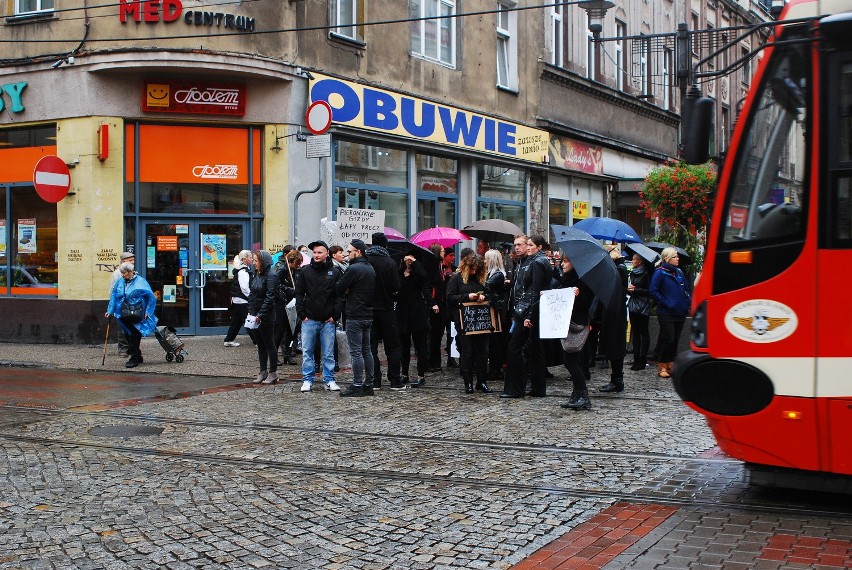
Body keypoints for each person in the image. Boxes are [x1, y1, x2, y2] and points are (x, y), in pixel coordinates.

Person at [501, 235, 552, 398]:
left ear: (538, 246)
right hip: (528, 310)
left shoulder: (535, 262)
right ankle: (537, 389)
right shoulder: (532, 261)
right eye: (516, 245)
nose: (518, 248)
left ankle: (515, 389)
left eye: (527, 245)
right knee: (536, 349)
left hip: (527, 311)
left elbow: (533, 291)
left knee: (515, 347)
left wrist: (528, 314)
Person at [295, 240, 343, 392]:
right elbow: (299, 294)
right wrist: (302, 314)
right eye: (314, 252)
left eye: (319, 252)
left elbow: (338, 296)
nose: (316, 255)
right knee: (308, 352)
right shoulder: (305, 271)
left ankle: (329, 379)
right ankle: (307, 379)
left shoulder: (334, 272)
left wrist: (335, 316)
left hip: (328, 320)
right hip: (309, 319)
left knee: (328, 353)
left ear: (327, 253)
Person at [445, 255, 492, 394]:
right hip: (464, 320)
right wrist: (468, 296)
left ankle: (482, 382)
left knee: (483, 352)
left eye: (476, 270)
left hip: (481, 320)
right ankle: (468, 383)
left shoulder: (480, 278)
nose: (473, 272)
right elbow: (450, 297)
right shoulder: (456, 279)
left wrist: (484, 296)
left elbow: (490, 294)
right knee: (468, 351)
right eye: (471, 269)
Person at [336, 239, 376, 397]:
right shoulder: (370, 267)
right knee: (367, 351)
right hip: (367, 314)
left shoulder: (354, 268)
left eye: (349, 250)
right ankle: (369, 384)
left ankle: (357, 384)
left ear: (358, 252)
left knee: (356, 352)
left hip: (355, 313)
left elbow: (339, 287)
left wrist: (347, 290)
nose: (347, 253)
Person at [366, 232, 405, 389]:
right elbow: (396, 287)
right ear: (385, 245)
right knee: (393, 346)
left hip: (369, 308)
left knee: (371, 346)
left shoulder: (365, 261)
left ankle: (375, 380)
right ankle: (395, 379)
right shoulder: (390, 262)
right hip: (387, 308)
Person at [558, 254, 595, 410]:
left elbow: (584, 304)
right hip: (568, 322)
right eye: (562, 261)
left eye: (566, 261)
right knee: (572, 360)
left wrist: (575, 295)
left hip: (576, 324)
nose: (562, 264)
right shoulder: (569, 278)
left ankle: (583, 395)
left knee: (570, 361)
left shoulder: (583, 280)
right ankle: (577, 394)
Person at [105, 262, 157, 369]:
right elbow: (114, 295)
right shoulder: (120, 281)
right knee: (128, 334)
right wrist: (110, 310)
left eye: (124, 273)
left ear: (130, 272)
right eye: (122, 273)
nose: (122, 275)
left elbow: (151, 297)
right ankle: (137, 355)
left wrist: (148, 312)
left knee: (134, 334)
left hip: (137, 312)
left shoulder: (141, 282)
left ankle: (134, 358)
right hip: (122, 313)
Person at [650, 247, 691, 378]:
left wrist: (687, 300)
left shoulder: (679, 272)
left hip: (680, 311)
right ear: (667, 259)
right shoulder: (660, 273)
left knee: (675, 340)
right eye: (675, 257)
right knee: (668, 339)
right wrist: (667, 303)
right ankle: (662, 365)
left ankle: (670, 364)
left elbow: (686, 288)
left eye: (677, 256)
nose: (677, 258)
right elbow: (653, 291)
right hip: (666, 312)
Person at [599, 247, 630, 393]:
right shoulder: (616, 268)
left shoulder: (619, 268)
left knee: (615, 346)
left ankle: (617, 380)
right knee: (612, 346)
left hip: (615, 312)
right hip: (612, 310)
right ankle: (616, 379)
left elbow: (616, 289)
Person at [397, 253, 430, 388]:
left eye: (411, 259)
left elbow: (423, 276)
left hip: (417, 313)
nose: (408, 261)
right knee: (404, 346)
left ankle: (420, 375)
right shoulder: (399, 273)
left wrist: (415, 262)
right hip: (402, 313)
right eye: (406, 259)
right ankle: (404, 373)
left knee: (419, 346)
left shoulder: (418, 275)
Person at [248, 250, 279, 384]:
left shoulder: (271, 275)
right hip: (255, 314)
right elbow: (252, 294)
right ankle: (263, 371)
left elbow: (270, 296)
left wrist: (261, 314)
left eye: (256, 261)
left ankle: (273, 372)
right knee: (260, 344)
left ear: (262, 262)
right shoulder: (257, 274)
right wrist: (251, 311)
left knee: (269, 343)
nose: (254, 263)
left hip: (266, 315)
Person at [274, 250, 302, 365]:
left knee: (292, 330)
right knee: (280, 330)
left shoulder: (296, 271)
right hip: (282, 303)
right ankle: (274, 355)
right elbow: (276, 285)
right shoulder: (282, 270)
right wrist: (290, 290)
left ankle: (288, 353)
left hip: (292, 302)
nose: (298, 266)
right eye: (296, 263)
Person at [484, 249, 508, 383]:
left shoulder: (497, 275)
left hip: (496, 311)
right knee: (493, 341)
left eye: (486, 259)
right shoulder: (492, 274)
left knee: (495, 341)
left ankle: (496, 369)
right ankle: (494, 368)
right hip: (492, 309)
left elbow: (486, 286)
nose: (484, 261)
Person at [223, 250, 255, 348]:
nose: (252, 259)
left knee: (236, 321)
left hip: (238, 299)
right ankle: (257, 341)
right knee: (248, 321)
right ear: (244, 259)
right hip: (242, 300)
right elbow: (244, 287)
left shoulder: (242, 269)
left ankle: (229, 340)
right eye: (250, 257)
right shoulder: (243, 271)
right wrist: (251, 297)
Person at [626, 253, 652, 371]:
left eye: (634, 259)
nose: (632, 261)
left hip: (643, 306)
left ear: (640, 261)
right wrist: (630, 290)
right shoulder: (632, 273)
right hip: (633, 305)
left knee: (643, 332)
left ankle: (642, 359)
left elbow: (649, 291)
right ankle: (636, 359)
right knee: (635, 333)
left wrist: (636, 289)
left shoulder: (647, 273)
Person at [426, 243, 447, 371]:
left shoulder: (439, 267)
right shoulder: (432, 268)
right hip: (434, 305)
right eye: (442, 251)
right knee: (432, 335)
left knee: (437, 335)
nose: (444, 252)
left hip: (440, 304)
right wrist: (432, 302)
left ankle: (435, 362)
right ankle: (430, 362)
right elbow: (428, 287)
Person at [110, 251, 135, 357]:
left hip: (132, 303)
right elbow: (113, 290)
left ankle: (131, 347)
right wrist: (112, 306)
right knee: (122, 326)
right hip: (121, 303)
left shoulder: (133, 272)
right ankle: (123, 349)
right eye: (130, 260)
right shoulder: (117, 274)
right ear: (123, 261)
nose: (133, 262)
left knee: (131, 325)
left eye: (133, 260)